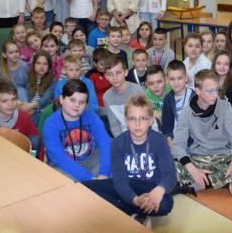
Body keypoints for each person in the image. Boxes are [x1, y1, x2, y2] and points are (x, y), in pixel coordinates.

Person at [83, 95, 176, 227]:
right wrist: (136, 200)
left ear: (150, 121)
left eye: (143, 118)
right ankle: (134, 212)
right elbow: (120, 180)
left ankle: (123, 210)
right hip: (128, 183)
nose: (137, 124)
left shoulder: (160, 140)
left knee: (166, 204)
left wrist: (158, 191)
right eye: (132, 119)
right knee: (85, 188)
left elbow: (169, 174)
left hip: (152, 186)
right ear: (126, 120)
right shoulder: (117, 143)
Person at [172, 69, 232, 194]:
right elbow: (177, 145)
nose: (215, 95)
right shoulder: (187, 112)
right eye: (210, 91)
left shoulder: (225, 107)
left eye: (217, 90)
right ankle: (221, 181)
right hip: (199, 159)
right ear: (198, 91)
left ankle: (193, 186)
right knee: (170, 166)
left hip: (224, 157)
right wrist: (193, 169)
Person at [43, 79, 111, 182]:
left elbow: (105, 143)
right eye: (72, 100)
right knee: (63, 180)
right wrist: (89, 178)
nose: (77, 105)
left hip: (91, 161)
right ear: (61, 99)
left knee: (114, 155)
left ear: (86, 104)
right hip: (64, 167)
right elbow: (59, 158)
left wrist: (104, 173)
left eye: (82, 102)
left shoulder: (92, 117)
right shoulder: (51, 124)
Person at [0, 78, 39, 150]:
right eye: (5, 101)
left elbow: (36, 140)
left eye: (13, 99)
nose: (10, 104)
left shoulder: (24, 117)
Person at [103, 54, 145, 137]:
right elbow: (114, 125)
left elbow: (146, 118)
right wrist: (121, 141)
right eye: (110, 74)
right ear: (105, 76)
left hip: (141, 132)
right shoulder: (107, 97)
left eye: (118, 73)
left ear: (126, 72)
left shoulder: (137, 90)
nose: (114, 78)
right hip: (123, 136)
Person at [161, 60, 194, 147]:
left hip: (194, 143)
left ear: (186, 78)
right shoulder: (168, 99)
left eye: (179, 78)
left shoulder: (195, 97)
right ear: (167, 80)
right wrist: (170, 142)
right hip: (175, 142)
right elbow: (167, 126)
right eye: (172, 79)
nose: (176, 82)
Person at [25, 51, 56, 125]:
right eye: (38, 63)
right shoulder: (27, 77)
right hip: (27, 109)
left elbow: (46, 99)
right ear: (34, 65)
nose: (41, 67)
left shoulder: (53, 81)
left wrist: (31, 106)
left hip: (40, 111)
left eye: (45, 64)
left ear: (49, 66)